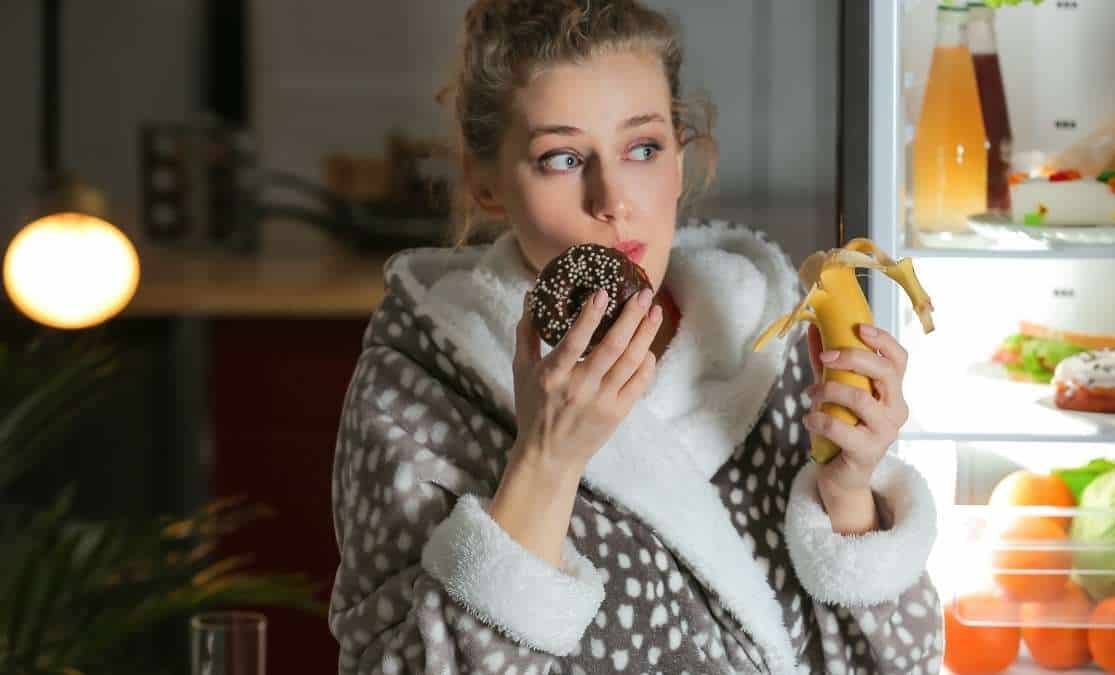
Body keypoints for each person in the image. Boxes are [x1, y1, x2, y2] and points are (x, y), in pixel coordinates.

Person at [329, 1, 941, 673]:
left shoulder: (769, 342)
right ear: (485, 183)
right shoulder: (416, 383)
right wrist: (546, 464)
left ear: (681, 158)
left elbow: (893, 663)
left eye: (642, 148)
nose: (612, 198)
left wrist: (850, 495)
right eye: (562, 158)